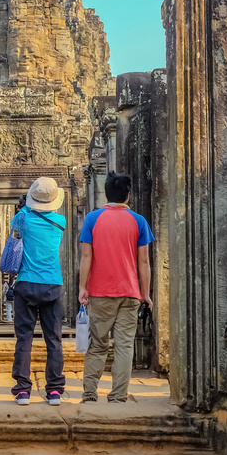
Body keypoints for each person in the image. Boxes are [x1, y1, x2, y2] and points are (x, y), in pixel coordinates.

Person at [78, 171, 154, 403]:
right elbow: (143, 262)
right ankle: (118, 396)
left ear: (106, 194)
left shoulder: (92, 218)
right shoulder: (139, 221)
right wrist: (145, 294)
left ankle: (90, 394)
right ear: (128, 196)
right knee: (124, 346)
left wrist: (83, 287)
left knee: (98, 345)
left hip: (100, 292)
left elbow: (86, 256)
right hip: (130, 292)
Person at [10, 176, 67, 406]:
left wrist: (26, 205)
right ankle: (54, 390)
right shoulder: (60, 221)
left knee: (24, 338)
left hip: (26, 282)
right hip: (53, 283)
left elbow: (15, 233)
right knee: (53, 339)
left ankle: (23, 390)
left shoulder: (22, 217)